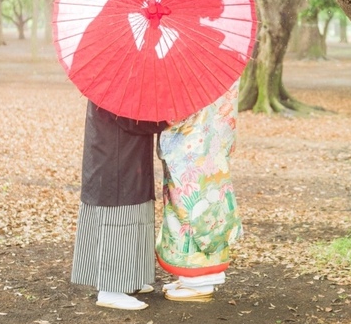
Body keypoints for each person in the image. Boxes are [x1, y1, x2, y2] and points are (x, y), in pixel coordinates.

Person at [70, 100, 167, 310]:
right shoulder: (112, 87)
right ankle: (110, 290)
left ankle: (130, 278)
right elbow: (131, 120)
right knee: (118, 221)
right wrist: (164, 121)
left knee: (136, 214)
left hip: (126, 156)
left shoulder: (120, 81)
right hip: (114, 161)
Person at [155, 81, 243, 302]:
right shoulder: (217, 69)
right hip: (212, 144)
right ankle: (191, 278)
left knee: (188, 209)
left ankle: (198, 283)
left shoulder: (190, 71)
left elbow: (179, 109)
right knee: (209, 205)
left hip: (190, 147)